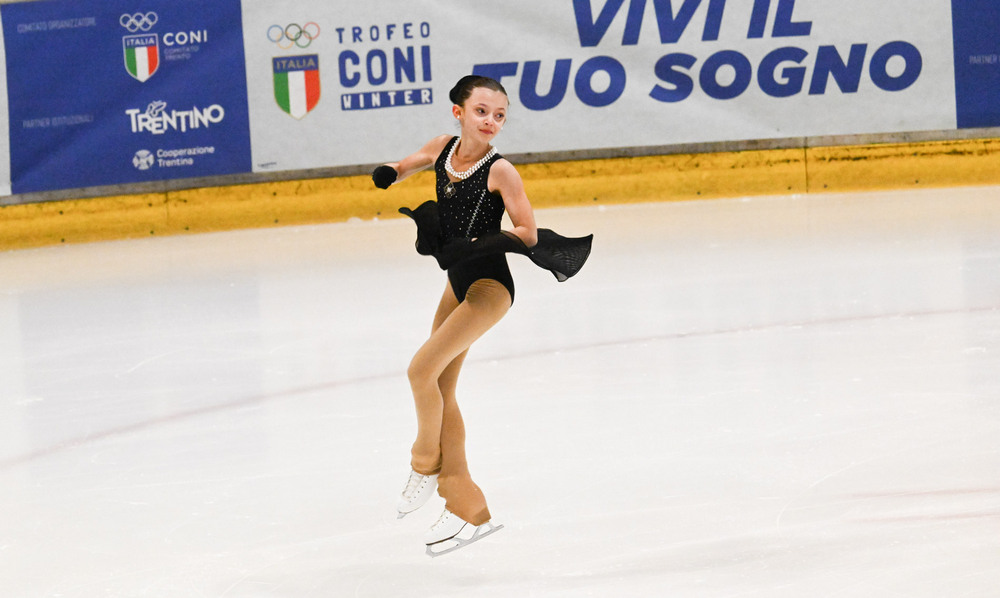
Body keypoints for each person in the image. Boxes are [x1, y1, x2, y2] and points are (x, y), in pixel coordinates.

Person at [372, 75, 592, 557]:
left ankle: (425, 462)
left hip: (489, 289)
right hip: (456, 283)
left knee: (420, 371)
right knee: (442, 388)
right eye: (481, 112)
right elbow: (410, 163)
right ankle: (467, 507)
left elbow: (529, 230)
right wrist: (389, 171)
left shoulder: (501, 170)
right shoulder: (443, 148)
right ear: (458, 112)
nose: (491, 121)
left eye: (499, 115)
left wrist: (484, 243)